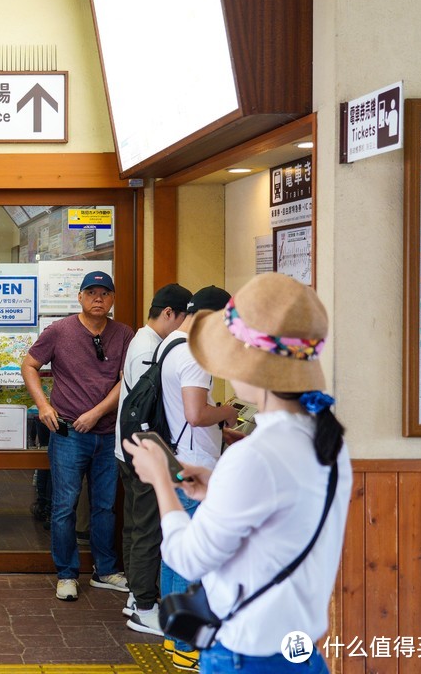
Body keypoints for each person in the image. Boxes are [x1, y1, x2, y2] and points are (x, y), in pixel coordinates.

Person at [124, 273, 351, 674]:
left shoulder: (255, 456)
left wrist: (162, 480)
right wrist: (216, 489)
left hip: (247, 654)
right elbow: (278, 520)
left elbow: (189, 559)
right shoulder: (327, 441)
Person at [21, 270, 133, 601]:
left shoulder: (124, 333)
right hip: (68, 433)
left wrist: (97, 413)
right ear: (80, 297)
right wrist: (43, 405)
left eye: (105, 293)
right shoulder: (59, 331)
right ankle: (67, 574)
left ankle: (106, 570)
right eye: (92, 292)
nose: (99, 298)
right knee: (64, 505)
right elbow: (29, 365)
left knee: (104, 506)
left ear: (112, 299)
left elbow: (125, 380)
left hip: (108, 433)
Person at [154, 285, 239, 670]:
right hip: (193, 462)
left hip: (171, 456)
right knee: (192, 557)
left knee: (174, 551)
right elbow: (195, 413)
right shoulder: (194, 353)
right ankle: (186, 644)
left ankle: (173, 637)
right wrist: (225, 412)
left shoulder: (169, 343)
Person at [112, 283, 192, 636]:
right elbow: (152, 404)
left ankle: (135, 594)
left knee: (136, 524)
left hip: (129, 448)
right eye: (185, 318)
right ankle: (144, 605)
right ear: (170, 314)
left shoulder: (142, 341)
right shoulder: (150, 346)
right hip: (143, 451)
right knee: (147, 528)